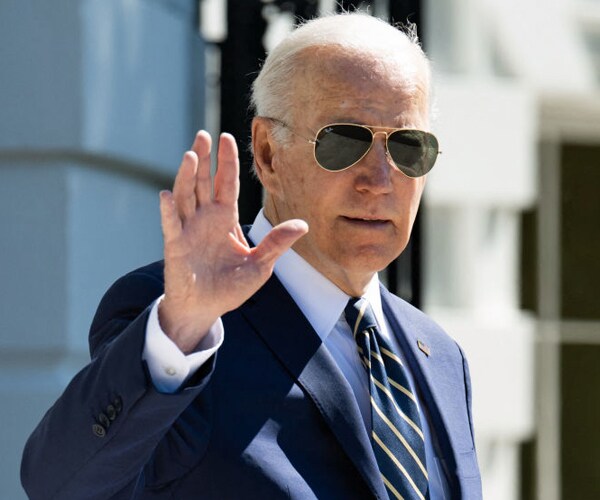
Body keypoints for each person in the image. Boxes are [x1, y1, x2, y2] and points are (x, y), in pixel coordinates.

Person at [21, 13, 482, 500]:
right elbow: (61, 485)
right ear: (267, 153)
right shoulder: (189, 328)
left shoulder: (441, 356)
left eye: (409, 147)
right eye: (345, 141)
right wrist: (181, 327)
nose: (379, 180)